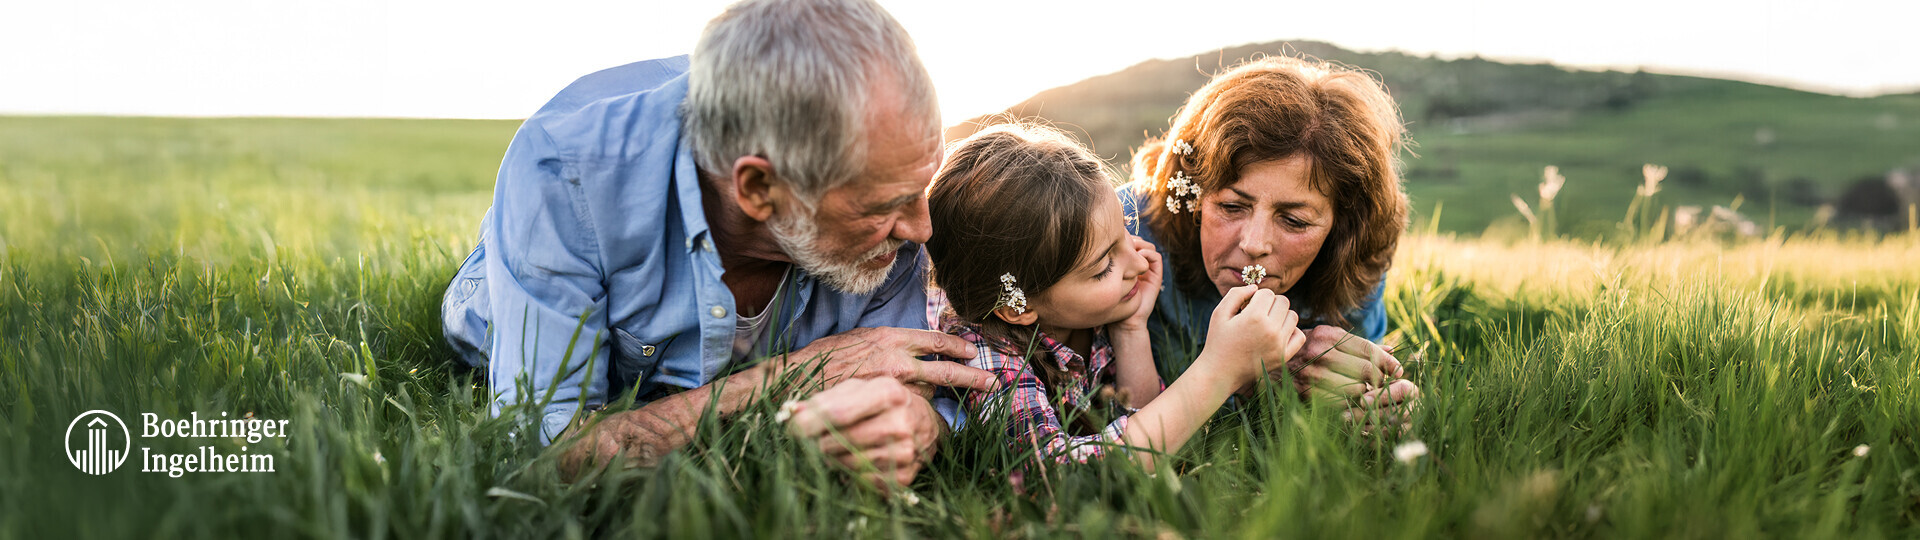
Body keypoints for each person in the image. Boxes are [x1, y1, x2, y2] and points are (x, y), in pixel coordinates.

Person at [438, 0, 997, 487]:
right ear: (758, 187)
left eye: (921, 188)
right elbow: (545, 452)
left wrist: (921, 420)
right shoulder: (565, 175)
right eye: (882, 207)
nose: (921, 230)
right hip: (491, 304)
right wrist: (797, 374)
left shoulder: (886, 196)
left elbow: (913, 375)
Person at [924, 124, 1307, 465]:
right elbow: (1056, 476)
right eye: (1103, 266)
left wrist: (1131, 329)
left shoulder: (1093, 311)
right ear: (1016, 306)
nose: (1139, 265)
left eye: (1125, 232)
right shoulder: (986, 355)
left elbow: (1152, 425)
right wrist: (1219, 370)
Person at [1122, 56, 1420, 426]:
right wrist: (1261, 379)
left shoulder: (1356, 260)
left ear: (1342, 228)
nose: (1254, 243)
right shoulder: (1125, 234)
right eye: (1231, 206)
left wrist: (1366, 404)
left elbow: (1353, 403)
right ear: (1193, 193)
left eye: (1294, 221)